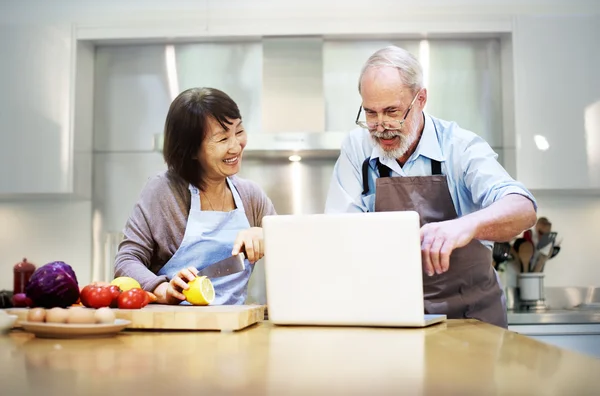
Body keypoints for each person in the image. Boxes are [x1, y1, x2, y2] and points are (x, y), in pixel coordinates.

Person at [324, 46, 537, 328]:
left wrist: (466, 226)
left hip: (470, 316)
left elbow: (523, 208)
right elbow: (339, 233)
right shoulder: (356, 147)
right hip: (392, 315)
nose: (380, 126)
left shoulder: (460, 146)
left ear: (421, 99)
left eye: (392, 111)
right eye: (371, 113)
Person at [114, 87, 276, 305]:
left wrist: (267, 235)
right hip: (172, 327)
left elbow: (293, 252)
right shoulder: (163, 192)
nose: (236, 146)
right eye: (222, 139)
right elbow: (126, 260)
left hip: (234, 326)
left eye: (238, 131)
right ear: (191, 150)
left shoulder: (251, 196)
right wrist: (162, 289)